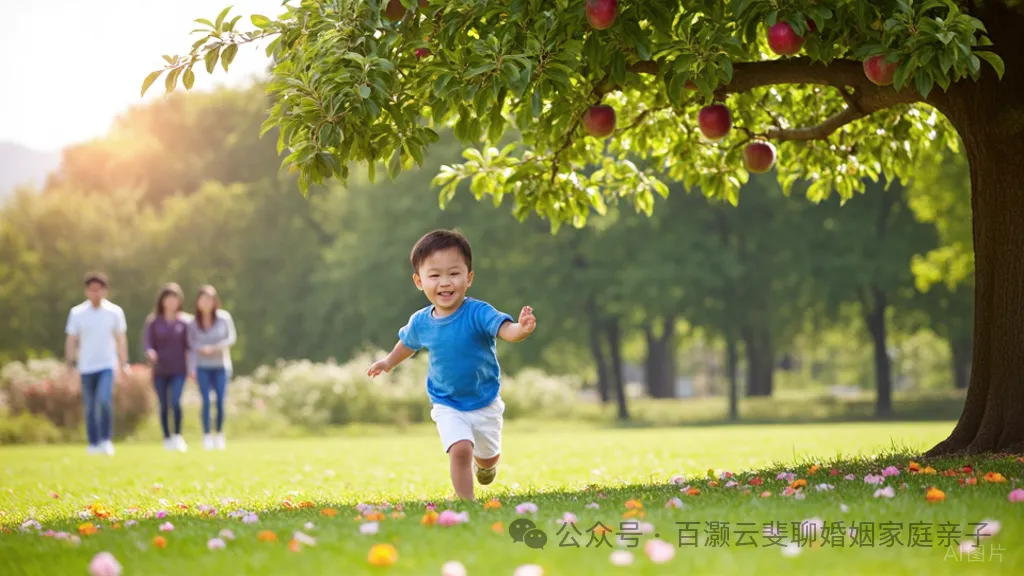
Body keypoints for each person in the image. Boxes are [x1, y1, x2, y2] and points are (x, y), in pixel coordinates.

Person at [366, 229, 536, 501]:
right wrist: (388, 362)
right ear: (419, 281)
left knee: (488, 458)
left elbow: (506, 331)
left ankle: (485, 467)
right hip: (446, 401)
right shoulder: (421, 321)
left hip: (484, 400)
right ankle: (467, 503)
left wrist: (521, 329)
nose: (445, 282)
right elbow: (408, 344)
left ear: (468, 278)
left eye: (454, 273)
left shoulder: (478, 312)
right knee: (460, 449)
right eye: (434, 275)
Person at [64, 272, 130, 456]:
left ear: (105, 291)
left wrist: (124, 364)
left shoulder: (114, 312)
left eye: (99, 289)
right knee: (90, 406)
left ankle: (106, 440)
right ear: (86, 291)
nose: (96, 293)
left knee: (104, 400)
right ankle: (93, 442)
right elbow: (71, 340)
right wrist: (70, 365)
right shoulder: (77, 313)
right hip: (86, 367)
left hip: (107, 365)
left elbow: (120, 339)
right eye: (92, 290)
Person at [143, 283, 191, 452]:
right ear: (162, 301)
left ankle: (177, 435)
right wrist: (150, 352)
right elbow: (148, 343)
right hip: (160, 369)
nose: (171, 302)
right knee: (163, 404)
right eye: (168, 299)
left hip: (179, 369)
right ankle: (167, 437)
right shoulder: (153, 322)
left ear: (179, 301)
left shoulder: (185, 322)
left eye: (174, 299)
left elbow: (190, 346)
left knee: (176, 401)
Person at [188, 284, 237, 451]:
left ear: (215, 301)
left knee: (221, 400)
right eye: (202, 299)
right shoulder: (193, 323)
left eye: (209, 299)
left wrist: (215, 348)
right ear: (197, 302)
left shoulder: (224, 318)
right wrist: (192, 368)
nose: (206, 303)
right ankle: (207, 435)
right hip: (202, 367)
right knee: (206, 401)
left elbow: (231, 338)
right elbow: (191, 345)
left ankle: (219, 434)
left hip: (221, 365)